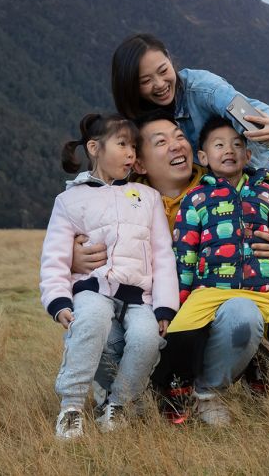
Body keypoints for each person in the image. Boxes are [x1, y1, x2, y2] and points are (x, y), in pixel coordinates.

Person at [110, 34, 269, 388]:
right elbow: (113, 160)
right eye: (145, 80)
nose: (159, 84)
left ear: (172, 62)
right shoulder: (140, 121)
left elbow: (252, 114)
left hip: (266, 179)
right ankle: (228, 363)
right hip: (211, 192)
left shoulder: (203, 88)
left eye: (163, 71)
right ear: (131, 87)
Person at [77, 111, 269, 425]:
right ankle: (127, 396)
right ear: (139, 162)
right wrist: (73, 256)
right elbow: (82, 236)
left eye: (179, 137)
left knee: (245, 316)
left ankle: (209, 388)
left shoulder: (227, 185)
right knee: (101, 320)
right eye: (161, 142)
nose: (177, 145)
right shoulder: (126, 202)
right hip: (146, 309)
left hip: (220, 304)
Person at [40, 113, 179, 439]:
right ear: (94, 148)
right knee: (90, 323)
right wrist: (58, 301)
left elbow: (162, 255)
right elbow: (54, 256)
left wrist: (164, 307)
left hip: (138, 295)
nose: (131, 153)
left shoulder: (147, 197)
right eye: (122, 144)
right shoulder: (69, 200)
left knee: (147, 340)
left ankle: (117, 404)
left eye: (134, 146)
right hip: (93, 289)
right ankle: (71, 406)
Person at [167, 115, 269, 421]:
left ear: (248, 154)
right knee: (177, 342)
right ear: (203, 156)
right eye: (219, 145)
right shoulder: (196, 199)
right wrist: (178, 301)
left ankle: (255, 369)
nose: (228, 150)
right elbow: (185, 255)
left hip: (263, 294)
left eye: (236, 144)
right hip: (208, 292)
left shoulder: (267, 195)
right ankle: (181, 391)